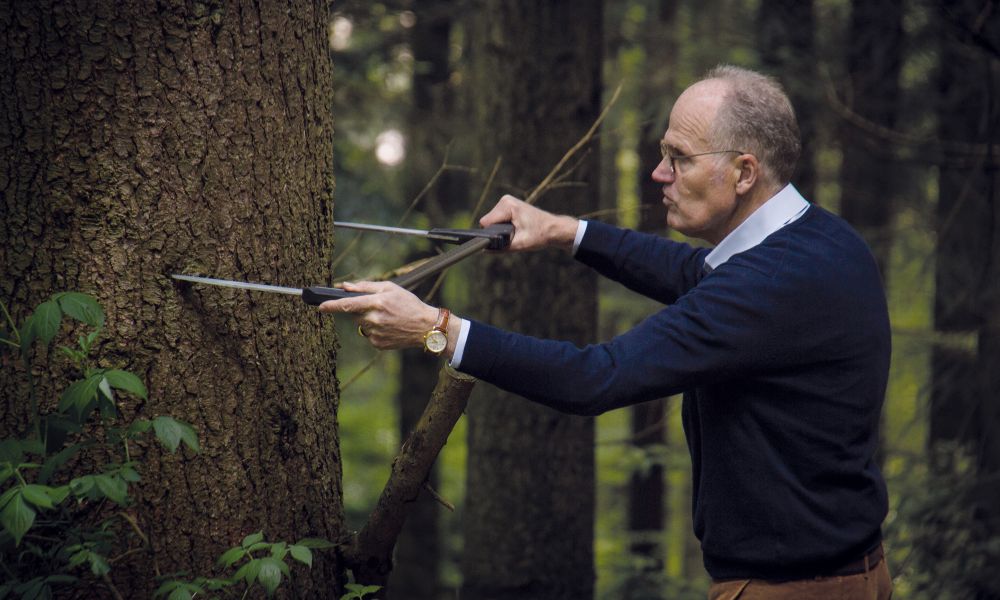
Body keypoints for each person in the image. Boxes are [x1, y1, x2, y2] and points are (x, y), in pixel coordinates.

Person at [320, 64, 893, 600]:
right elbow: (693, 274)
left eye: (679, 157)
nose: (659, 173)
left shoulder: (769, 285)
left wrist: (436, 328)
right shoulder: (819, 240)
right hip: (845, 572)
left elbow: (596, 378)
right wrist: (564, 231)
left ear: (744, 172)